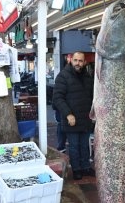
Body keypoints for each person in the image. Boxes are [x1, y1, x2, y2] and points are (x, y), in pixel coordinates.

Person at [52, 52, 95, 180]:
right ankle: (76, 169)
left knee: (84, 145)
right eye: (75, 60)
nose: (78, 63)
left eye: (80, 61)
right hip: (72, 119)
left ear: (85, 62)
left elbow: (92, 97)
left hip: (85, 118)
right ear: (71, 60)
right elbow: (57, 98)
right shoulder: (63, 76)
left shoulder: (88, 77)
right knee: (74, 146)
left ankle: (86, 167)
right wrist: (68, 114)